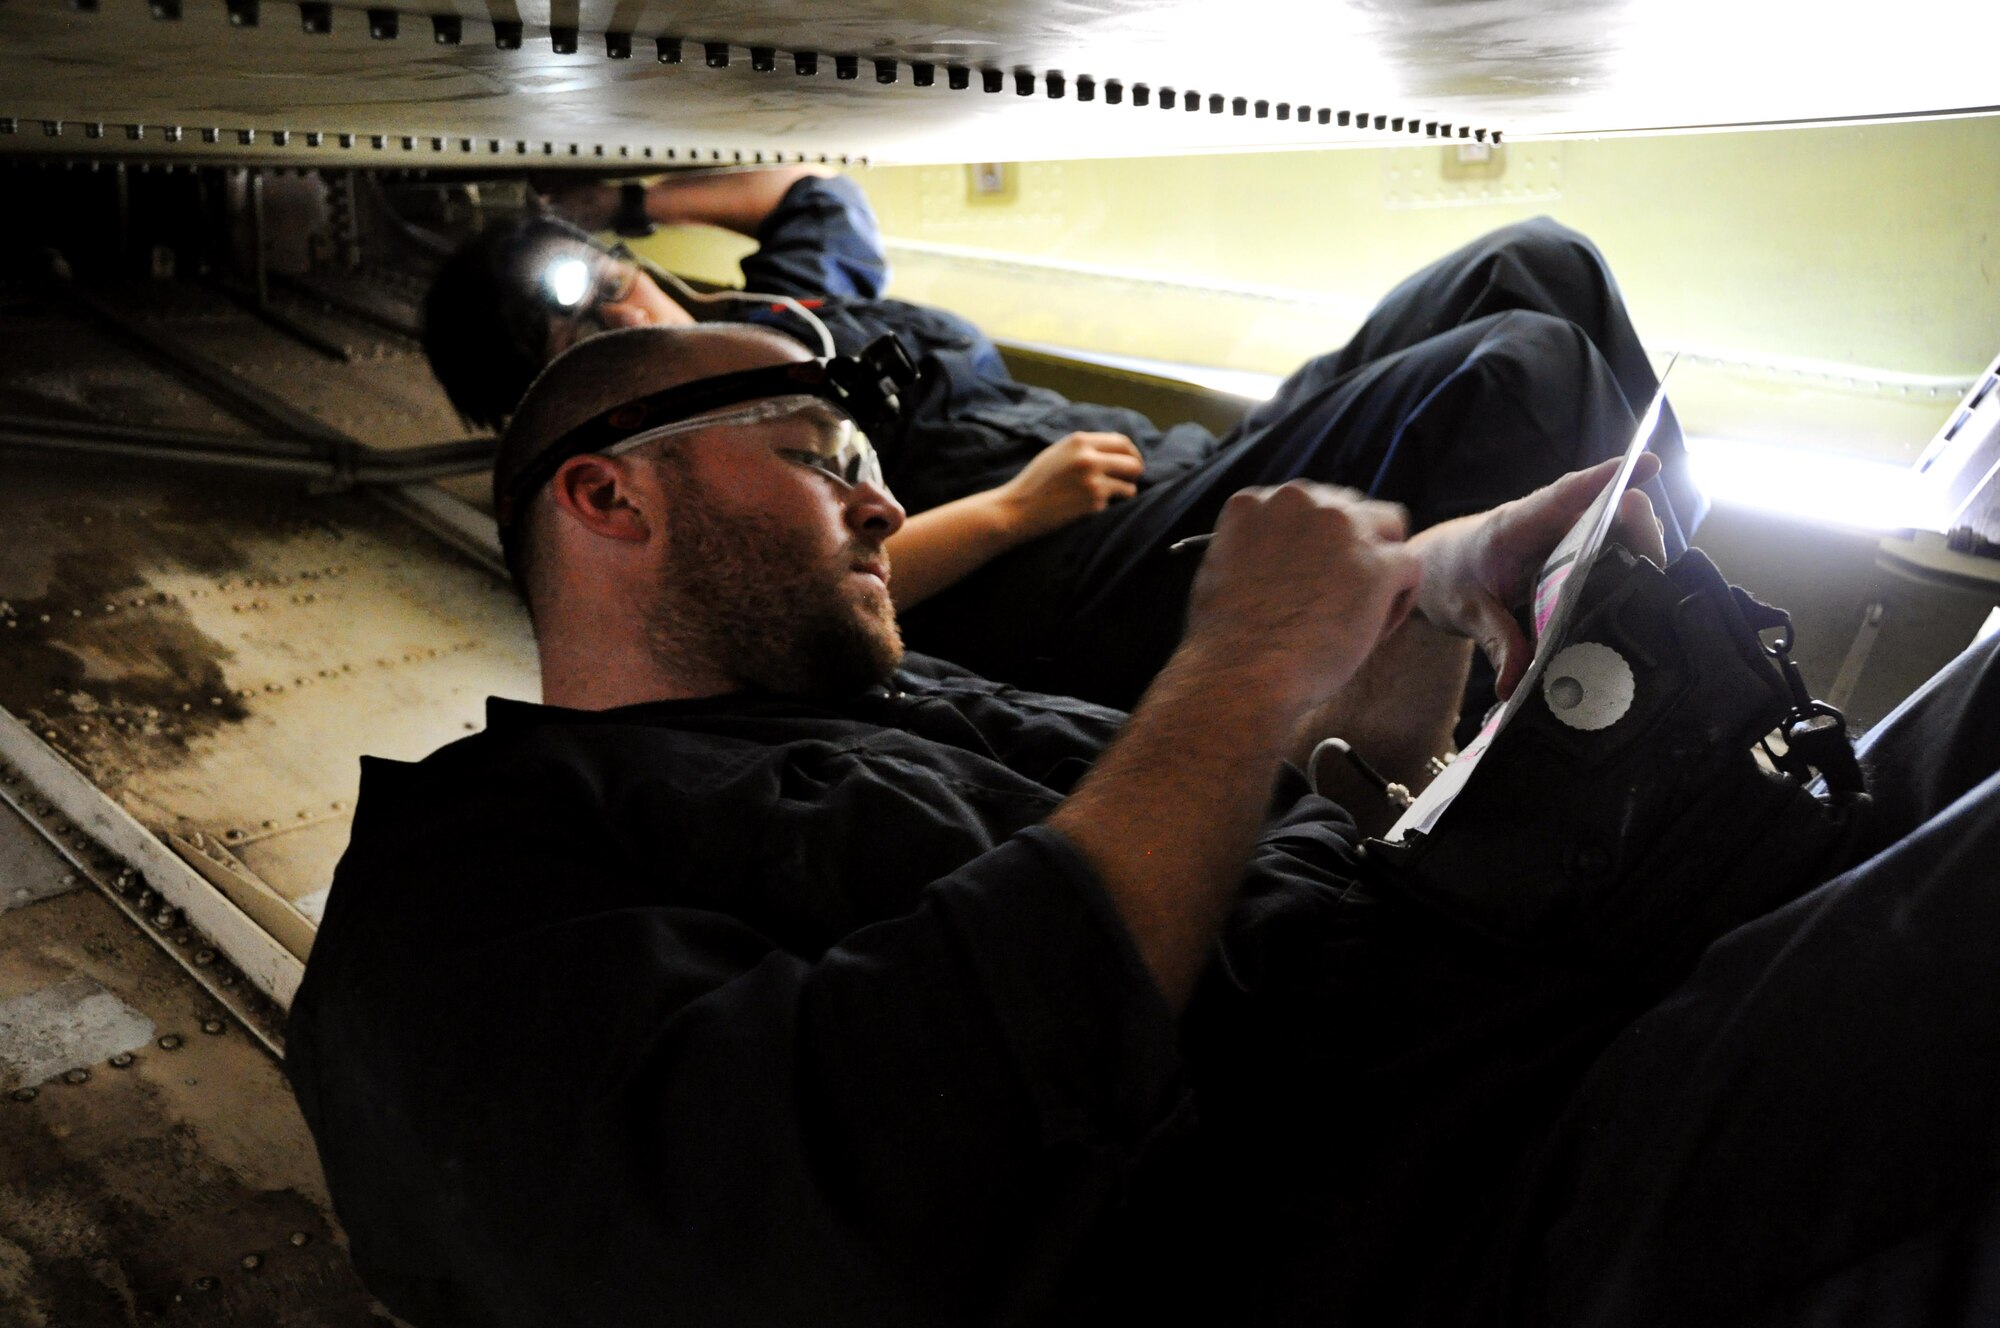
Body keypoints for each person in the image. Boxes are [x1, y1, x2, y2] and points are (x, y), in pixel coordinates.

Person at [288, 323, 2000, 1328]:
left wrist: (1428, 606)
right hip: (1484, 1215)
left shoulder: (920, 705)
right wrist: (1238, 671)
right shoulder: (463, 888)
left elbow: (1284, 875)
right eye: (819, 449)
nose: (888, 496)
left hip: (1546, 1005)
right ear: (607, 493)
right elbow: (814, 1207)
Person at [422, 168, 1706, 732]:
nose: (621, 311)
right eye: (580, 335)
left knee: (1536, 257)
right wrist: (1011, 511)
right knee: (1524, 367)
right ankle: (1615, 715)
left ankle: (1679, 594)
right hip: (1071, 565)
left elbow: (815, 191)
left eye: (611, 283)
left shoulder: (779, 311)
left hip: (1174, 465)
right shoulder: (661, 457)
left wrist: (621, 204)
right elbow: (770, 595)